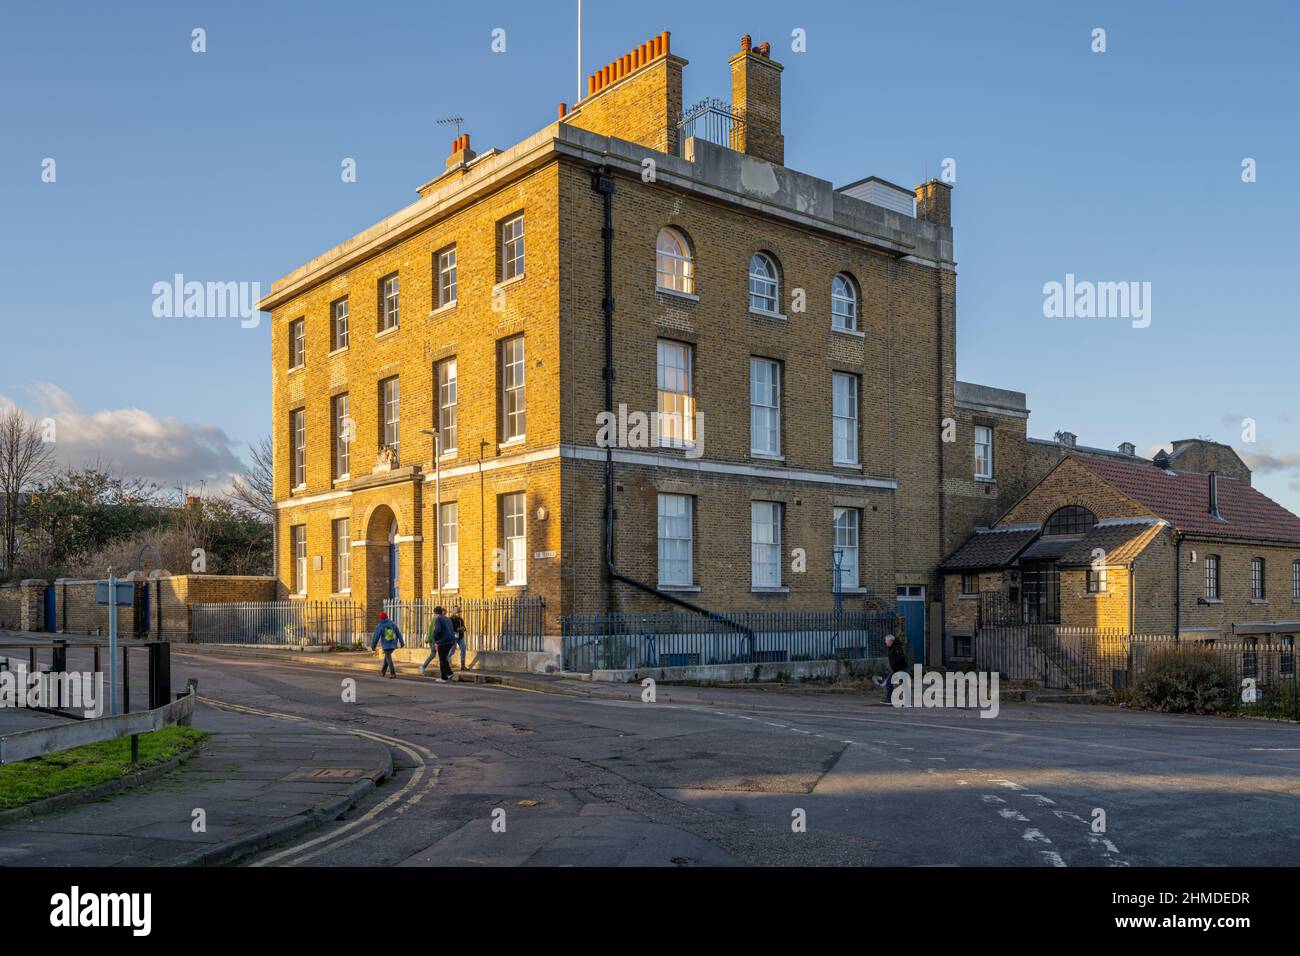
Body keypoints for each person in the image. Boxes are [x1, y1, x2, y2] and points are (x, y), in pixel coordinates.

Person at [424, 605, 457, 682]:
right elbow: (451, 630)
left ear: (435, 613)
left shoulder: (438, 619)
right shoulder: (448, 619)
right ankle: (449, 673)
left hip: (443, 641)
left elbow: (438, 630)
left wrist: (435, 640)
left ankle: (443, 677)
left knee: (442, 659)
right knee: (444, 658)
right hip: (451, 641)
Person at [370, 612, 404, 679]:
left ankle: (393, 673)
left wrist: (373, 646)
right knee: (387, 657)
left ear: (380, 618)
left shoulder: (380, 625)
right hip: (393, 645)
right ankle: (382, 671)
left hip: (386, 645)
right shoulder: (392, 624)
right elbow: (398, 633)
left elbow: (376, 637)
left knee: (388, 658)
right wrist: (402, 642)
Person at [882, 634, 908, 704]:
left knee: (889, 683)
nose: (885, 642)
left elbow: (900, 658)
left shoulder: (896, 647)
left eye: (886, 640)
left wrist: (895, 665)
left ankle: (890, 699)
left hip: (900, 669)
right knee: (892, 683)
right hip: (897, 669)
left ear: (890, 641)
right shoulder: (892, 647)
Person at [450, 605, 467, 671]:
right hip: (454, 637)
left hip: (460, 637)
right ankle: (446, 662)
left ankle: (463, 665)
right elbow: (452, 628)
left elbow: (464, 627)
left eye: (459, 611)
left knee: (463, 649)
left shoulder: (461, 619)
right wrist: (459, 629)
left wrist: (463, 628)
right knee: (452, 651)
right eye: (457, 610)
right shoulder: (451, 619)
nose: (458, 612)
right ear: (453, 611)